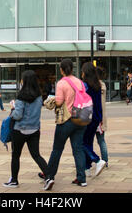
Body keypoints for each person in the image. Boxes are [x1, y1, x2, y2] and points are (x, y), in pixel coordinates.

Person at [43, 59, 87, 191]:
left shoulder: (61, 83)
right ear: (72, 69)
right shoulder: (80, 82)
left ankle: (49, 177)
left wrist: (51, 100)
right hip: (80, 119)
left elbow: (59, 102)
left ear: (61, 70)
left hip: (66, 120)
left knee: (57, 149)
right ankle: (81, 178)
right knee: (78, 149)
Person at [2, 70, 49, 188]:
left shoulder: (21, 97)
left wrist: (13, 108)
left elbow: (18, 115)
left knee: (16, 155)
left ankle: (14, 180)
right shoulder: (39, 97)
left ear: (25, 81)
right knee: (36, 155)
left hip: (20, 130)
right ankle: (49, 176)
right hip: (34, 130)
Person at [82, 62, 106, 177]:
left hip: (87, 117)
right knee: (88, 142)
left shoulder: (85, 85)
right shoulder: (98, 84)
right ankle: (87, 168)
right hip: (96, 117)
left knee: (81, 142)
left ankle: (97, 160)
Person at [95, 67, 109, 168]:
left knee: (88, 141)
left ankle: (90, 160)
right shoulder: (103, 85)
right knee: (101, 140)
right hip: (102, 118)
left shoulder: (93, 85)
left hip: (94, 117)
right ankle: (105, 161)